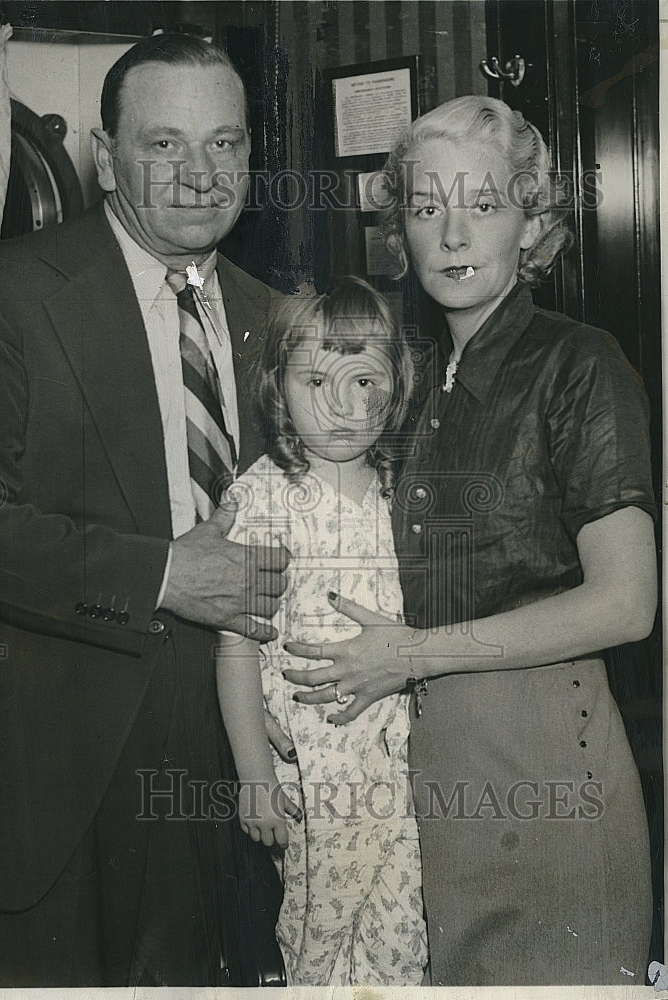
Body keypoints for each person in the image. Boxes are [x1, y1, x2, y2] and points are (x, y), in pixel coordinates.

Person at [0, 33, 292, 988]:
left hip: (233, 770)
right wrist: (161, 573)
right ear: (108, 159)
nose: (201, 176)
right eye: (165, 145)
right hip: (46, 779)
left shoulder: (281, 319)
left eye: (226, 145)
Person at [283, 96, 657, 986]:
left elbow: (626, 603)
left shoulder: (583, 363)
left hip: (545, 768)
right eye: (424, 209)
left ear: (532, 224)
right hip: (417, 775)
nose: (452, 234)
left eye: (483, 206)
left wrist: (412, 653)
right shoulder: (396, 375)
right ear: (399, 231)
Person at [215, 278, 429, 986]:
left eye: (363, 378)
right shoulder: (265, 495)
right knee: (318, 941)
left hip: (403, 768)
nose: (341, 405)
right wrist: (252, 776)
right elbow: (237, 643)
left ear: (394, 390)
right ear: (280, 387)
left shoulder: (407, 489)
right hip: (313, 772)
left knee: (402, 944)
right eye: (316, 379)